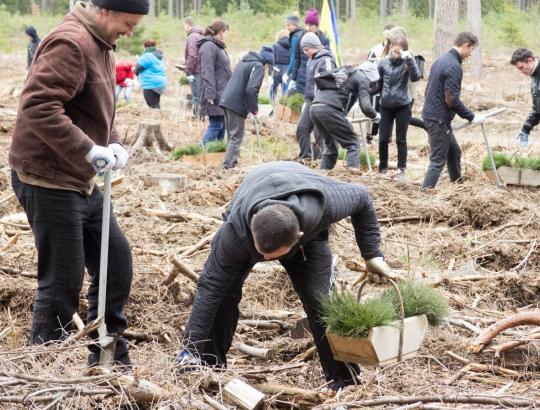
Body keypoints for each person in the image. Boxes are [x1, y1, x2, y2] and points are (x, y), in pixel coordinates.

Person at [9, 0, 148, 368]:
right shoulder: (70, 43)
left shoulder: (100, 42)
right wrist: (87, 150)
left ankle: (107, 357)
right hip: (48, 176)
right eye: (128, 22)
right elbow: (38, 106)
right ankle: (43, 371)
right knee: (61, 283)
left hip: (80, 178)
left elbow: (96, 109)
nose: (130, 31)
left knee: (116, 262)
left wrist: (113, 140)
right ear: (105, 10)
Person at [178, 161, 396, 391]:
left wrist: (372, 256)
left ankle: (344, 381)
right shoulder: (235, 234)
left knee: (321, 304)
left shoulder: (325, 205)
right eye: (263, 254)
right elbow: (209, 288)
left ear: (298, 235)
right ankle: (209, 366)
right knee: (223, 295)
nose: (268, 260)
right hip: (253, 202)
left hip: (305, 234)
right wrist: (188, 351)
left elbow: (362, 196)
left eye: (273, 256)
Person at [421, 32, 485, 189]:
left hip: (435, 116)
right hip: (438, 119)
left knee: (454, 152)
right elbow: (452, 100)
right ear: (465, 45)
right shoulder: (454, 66)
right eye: (471, 50)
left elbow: (428, 89)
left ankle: (458, 188)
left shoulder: (441, 60)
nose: (470, 54)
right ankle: (425, 194)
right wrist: (471, 116)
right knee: (437, 161)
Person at [310, 64, 380, 170]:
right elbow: (365, 106)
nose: (372, 85)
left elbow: (339, 95)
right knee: (352, 142)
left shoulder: (346, 73)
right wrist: (375, 115)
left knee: (331, 146)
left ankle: (324, 173)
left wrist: (342, 116)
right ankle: (352, 173)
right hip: (329, 110)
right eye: (373, 82)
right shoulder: (363, 78)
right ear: (371, 75)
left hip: (315, 108)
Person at [219, 46, 274, 169]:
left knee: (232, 135)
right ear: (267, 63)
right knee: (236, 137)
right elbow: (251, 89)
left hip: (227, 100)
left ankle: (231, 162)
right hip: (236, 103)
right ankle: (228, 166)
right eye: (269, 66)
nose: (268, 68)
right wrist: (254, 109)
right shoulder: (258, 66)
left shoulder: (245, 61)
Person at [377, 36, 421, 177]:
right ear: (390, 49)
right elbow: (379, 84)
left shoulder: (407, 63)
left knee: (400, 139)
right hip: (385, 106)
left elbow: (415, 77)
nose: (396, 55)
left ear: (404, 52)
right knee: (383, 138)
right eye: (393, 52)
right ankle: (383, 168)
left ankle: (401, 169)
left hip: (403, 105)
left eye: (399, 53)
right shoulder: (383, 63)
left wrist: (409, 60)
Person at [295, 32, 336, 161]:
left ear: (314, 46)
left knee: (320, 134)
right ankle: (305, 158)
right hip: (310, 101)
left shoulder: (326, 60)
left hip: (321, 102)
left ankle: (320, 161)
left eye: (306, 49)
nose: (305, 52)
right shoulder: (311, 60)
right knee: (302, 129)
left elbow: (330, 82)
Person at [198, 20, 231, 145]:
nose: (227, 35)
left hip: (222, 91)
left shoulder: (218, 46)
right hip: (214, 92)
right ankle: (199, 152)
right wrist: (210, 94)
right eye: (226, 32)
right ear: (221, 32)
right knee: (216, 125)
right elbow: (207, 71)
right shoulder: (208, 46)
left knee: (222, 124)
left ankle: (216, 154)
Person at [366, 24, 394, 144]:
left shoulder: (396, 51)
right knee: (373, 110)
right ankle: (369, 136)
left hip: (390, 90)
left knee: (387, 115)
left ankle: (386, 136)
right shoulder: (375, 50)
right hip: (376, 86)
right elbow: (368, 66)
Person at [510, 48, 539, 148]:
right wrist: (526, 128)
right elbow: (537, 108)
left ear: (530, 61)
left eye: (521, 67)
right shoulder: (535, 77)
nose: (520, 71)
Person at [134, 39, 167, 109]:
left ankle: (158, 119)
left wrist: (135, 72)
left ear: (146, 47)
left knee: (152, 105)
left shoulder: (147, 56)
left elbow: (137, 68)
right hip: (160, 83)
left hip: (151, 83)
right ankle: (159, 117)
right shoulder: (159, 56)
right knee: (156, 104)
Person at [183, 16, 204, 115]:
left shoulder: (192, 36)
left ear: (187, 25)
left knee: (196, 97)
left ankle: (198, 118)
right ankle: (201, 117)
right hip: (201, 69)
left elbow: (192, 55)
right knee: (200, 96)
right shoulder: (200, 35)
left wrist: (188, 71)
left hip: (195, 71)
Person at [284, 14, 306, 95]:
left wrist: (287, 72)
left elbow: (294, 56)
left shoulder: (296, 36)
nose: (287, 28)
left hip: (298, 70)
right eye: (286, 26)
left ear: (295, 24)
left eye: (288, 25)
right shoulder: (302, 32)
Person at [270, 29, 290, 102]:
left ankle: (271, 104)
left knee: (273, 89)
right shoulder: (291, 46)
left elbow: (272, 59)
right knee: (285, 89)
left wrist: (270, 72)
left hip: (277, 68)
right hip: (287, 68)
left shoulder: (275, 45)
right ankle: (284, 106)